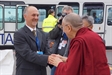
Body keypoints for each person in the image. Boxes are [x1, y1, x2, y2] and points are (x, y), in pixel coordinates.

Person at [14, 6, 53, 75]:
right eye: (33, 15)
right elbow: (27, 54)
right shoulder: (19, 34)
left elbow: (47, 52)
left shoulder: (43, 34)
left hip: (41, 72)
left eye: (37, 15)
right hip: (26, 72)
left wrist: (56, 60)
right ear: (25, 16)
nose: (36, 18)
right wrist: (48, 58)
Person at [48, 6, 73, 75]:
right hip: (57, 59)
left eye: (69, 15)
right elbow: (52, 35)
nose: (67, 17)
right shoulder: (60, 26)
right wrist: (59, 25)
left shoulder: (74, 28)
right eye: (65, 14)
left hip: (67, 59)